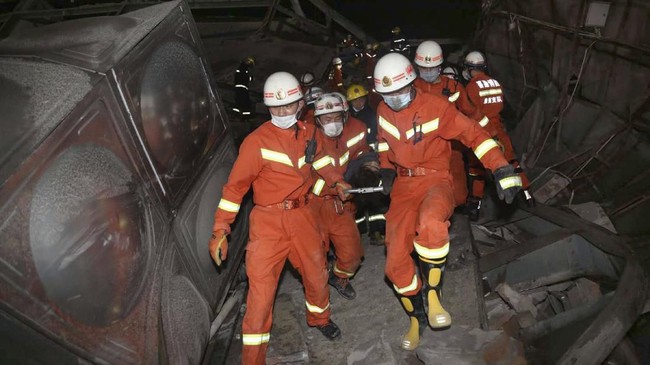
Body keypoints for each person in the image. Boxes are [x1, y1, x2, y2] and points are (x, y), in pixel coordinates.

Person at [373, 53, 522, 351]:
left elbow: (473, 134)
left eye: (399, 92)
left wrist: (500, 166)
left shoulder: (436, 108)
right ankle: (416, 318)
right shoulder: (382, 110)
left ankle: (432, 292)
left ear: (412, 83)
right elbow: (383, 143)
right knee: (395, 265)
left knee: (431, 224)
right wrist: (385, 170)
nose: (394, 99)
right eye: (387, 94)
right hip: (403, 186)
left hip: (435, 180)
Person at [209, 72, 353, 365]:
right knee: (260, 298)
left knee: (316, 275)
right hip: (268, 223)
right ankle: (252, 360)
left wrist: (337, 180)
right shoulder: (255, 142)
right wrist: (220, 229)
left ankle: (320, 318)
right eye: (277, 108)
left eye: (289, 106)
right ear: (268, 108)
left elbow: (321, 160)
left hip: (303, 216)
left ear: (301, 103)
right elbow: (235, 188)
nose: (284, 112)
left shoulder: (310, 132)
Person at [310, 93, 371, 300]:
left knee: (353, 255)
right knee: (314, 258)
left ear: (345, 116)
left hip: (339, 205)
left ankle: (339, 277)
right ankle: (319, 293)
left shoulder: (351, 134)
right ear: (318, 120)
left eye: (337, 117)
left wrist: (370, 167)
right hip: (313, 206)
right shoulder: (308, 139)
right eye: (327, 119)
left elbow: (360, 154)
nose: (332, 123)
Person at [462, 50, 534, 219]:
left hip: (481, 130)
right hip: (499, 128)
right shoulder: (495, 83)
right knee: (511, 162)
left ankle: (474, 207)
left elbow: (471, 112)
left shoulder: (471, 87)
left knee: (477, 169)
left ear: (469, 68)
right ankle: (528, 196)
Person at [412, 41, 474, 208]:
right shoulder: (411, 88)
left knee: (459, 196)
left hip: (452, 147)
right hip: (421, 149)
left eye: (431, 68)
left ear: (440, 66)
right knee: (424, 196)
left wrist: (492, 135)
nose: (428, 72)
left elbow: (473, 114)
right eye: (424, 68)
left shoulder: (454, 87)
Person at [233, 56, 255, 120]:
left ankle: (237, 115)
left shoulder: (241, 68)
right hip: (242, 88)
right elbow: (244, 78)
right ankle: (245, 116)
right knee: (245, 102)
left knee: (239, 101)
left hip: (240, 88)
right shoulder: (243, 69)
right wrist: (251, 78)